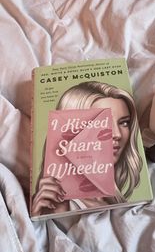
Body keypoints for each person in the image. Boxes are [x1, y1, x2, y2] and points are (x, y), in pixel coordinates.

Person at [31, 81, 143, 216]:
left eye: (124, 123)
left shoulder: (116, 200)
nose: (117, 134)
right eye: (101, 122)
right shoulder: (55, 203)